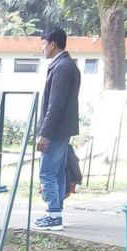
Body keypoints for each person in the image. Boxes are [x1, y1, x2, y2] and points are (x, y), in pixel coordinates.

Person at [33, 27, 80, 231]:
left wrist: (44, 134)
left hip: (56, 130)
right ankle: (55, 213)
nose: (42, 48)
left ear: (52, 44)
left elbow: (55, 105)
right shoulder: (67, 65)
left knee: (47, 173)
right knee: (58, 172)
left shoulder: (61, 67)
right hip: (62, 129)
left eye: (44, 44)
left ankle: (53, 216)